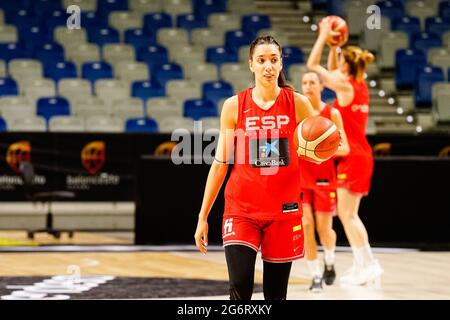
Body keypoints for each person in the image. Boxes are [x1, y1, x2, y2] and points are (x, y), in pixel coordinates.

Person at [194, 35, 318, 300]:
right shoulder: (234, 106)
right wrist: (203, 216)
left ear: (281, 63)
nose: (268, 67)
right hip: (242, 211)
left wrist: (324, 147)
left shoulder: (298, 103)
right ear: (251, 64)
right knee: (240, 288)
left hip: (284, 213)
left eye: (274, 60)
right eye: (261, 61)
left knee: (275, 295)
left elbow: (316, 148)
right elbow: (220, 165)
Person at [306, 18, 384, 286]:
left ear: (347, 68)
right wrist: (334, 47)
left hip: (354, 156)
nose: (336, 68)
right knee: (349, 214)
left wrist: (323, 36)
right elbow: (331, 72)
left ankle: (369, 264)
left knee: (348, 215)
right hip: (362, 155)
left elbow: (313, 66)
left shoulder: (347, 85)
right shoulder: (358, 86)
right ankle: (364, 264)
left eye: (340, 64)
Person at [299, 71, 349, 292]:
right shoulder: (297, 112)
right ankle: (315, 275)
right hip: (301, 179)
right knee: (306, 226)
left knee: (325, 230)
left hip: (323, 179)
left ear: (321, 87)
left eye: (312, 82)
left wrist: (321, 150)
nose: (308, 86)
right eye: (304, 82)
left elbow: (345, 147)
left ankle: (329, 260)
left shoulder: (332, 113)